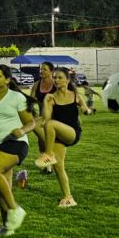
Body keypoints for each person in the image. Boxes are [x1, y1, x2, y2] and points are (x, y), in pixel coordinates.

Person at [0, 65, 36, 236]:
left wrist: (22, 130)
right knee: (3, 188)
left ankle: (15, 208)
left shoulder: (16, 97)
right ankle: (7, 227)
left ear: (7, 80)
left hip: (16, 143)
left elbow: (31, 122)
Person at [35, 67, 90, 207]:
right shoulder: (51, 98)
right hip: (57, 135)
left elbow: (85, 109)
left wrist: (86, 110)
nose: (56, 80)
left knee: (51, 124)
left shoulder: (75, 95)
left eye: (60, 77)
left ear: (68, 80)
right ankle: (68, 198)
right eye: (54, 77)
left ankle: (47, 154)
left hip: (72, 133)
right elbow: (46, 119)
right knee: (58, 167)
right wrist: (46, 102)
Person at [28, 62, 55, 173]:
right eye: (41, 69)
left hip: (55, 118)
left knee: (48, 141)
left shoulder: (56, 84)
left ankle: (49, 166)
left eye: (44, 69)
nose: (41, 71)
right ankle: (47, 166)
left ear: (51, 71)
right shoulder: (36, 85)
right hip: (42, 118)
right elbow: (30, 100)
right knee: (41, 141)